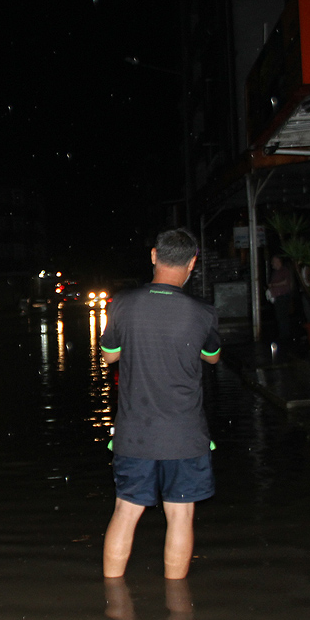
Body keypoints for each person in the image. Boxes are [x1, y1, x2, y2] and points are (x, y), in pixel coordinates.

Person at [99, 228, 221, 580]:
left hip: (135, 435)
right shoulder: (203, 313)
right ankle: (178, 609)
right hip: (184, 436)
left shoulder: (122, 304)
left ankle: (113, 601)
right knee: (180, 515)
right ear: (192, 263)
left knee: (125, 510)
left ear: (154, 256)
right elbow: (211, 357)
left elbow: (109, 356)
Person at [267, 255, 295, 348]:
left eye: (273, 261)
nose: (272, 264)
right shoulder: (275, 272)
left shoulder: (284, 270)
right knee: (280, 316)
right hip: (277, 297)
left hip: (283, 296)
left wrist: (273, 285)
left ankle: (285, 336)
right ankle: (283, 334)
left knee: (283, 316)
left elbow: (286, 282)